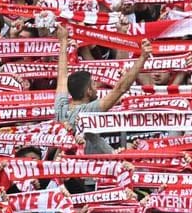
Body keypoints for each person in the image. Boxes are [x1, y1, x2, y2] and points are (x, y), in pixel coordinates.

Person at [54, 25, 152, 155]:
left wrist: (63, 41)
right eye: (94, 84)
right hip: (88, 170)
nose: (97, 87)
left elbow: (62, 76)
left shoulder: (60, 107)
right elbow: (120, 88)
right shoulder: (87, 111)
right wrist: (142, 58)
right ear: (88, 91)